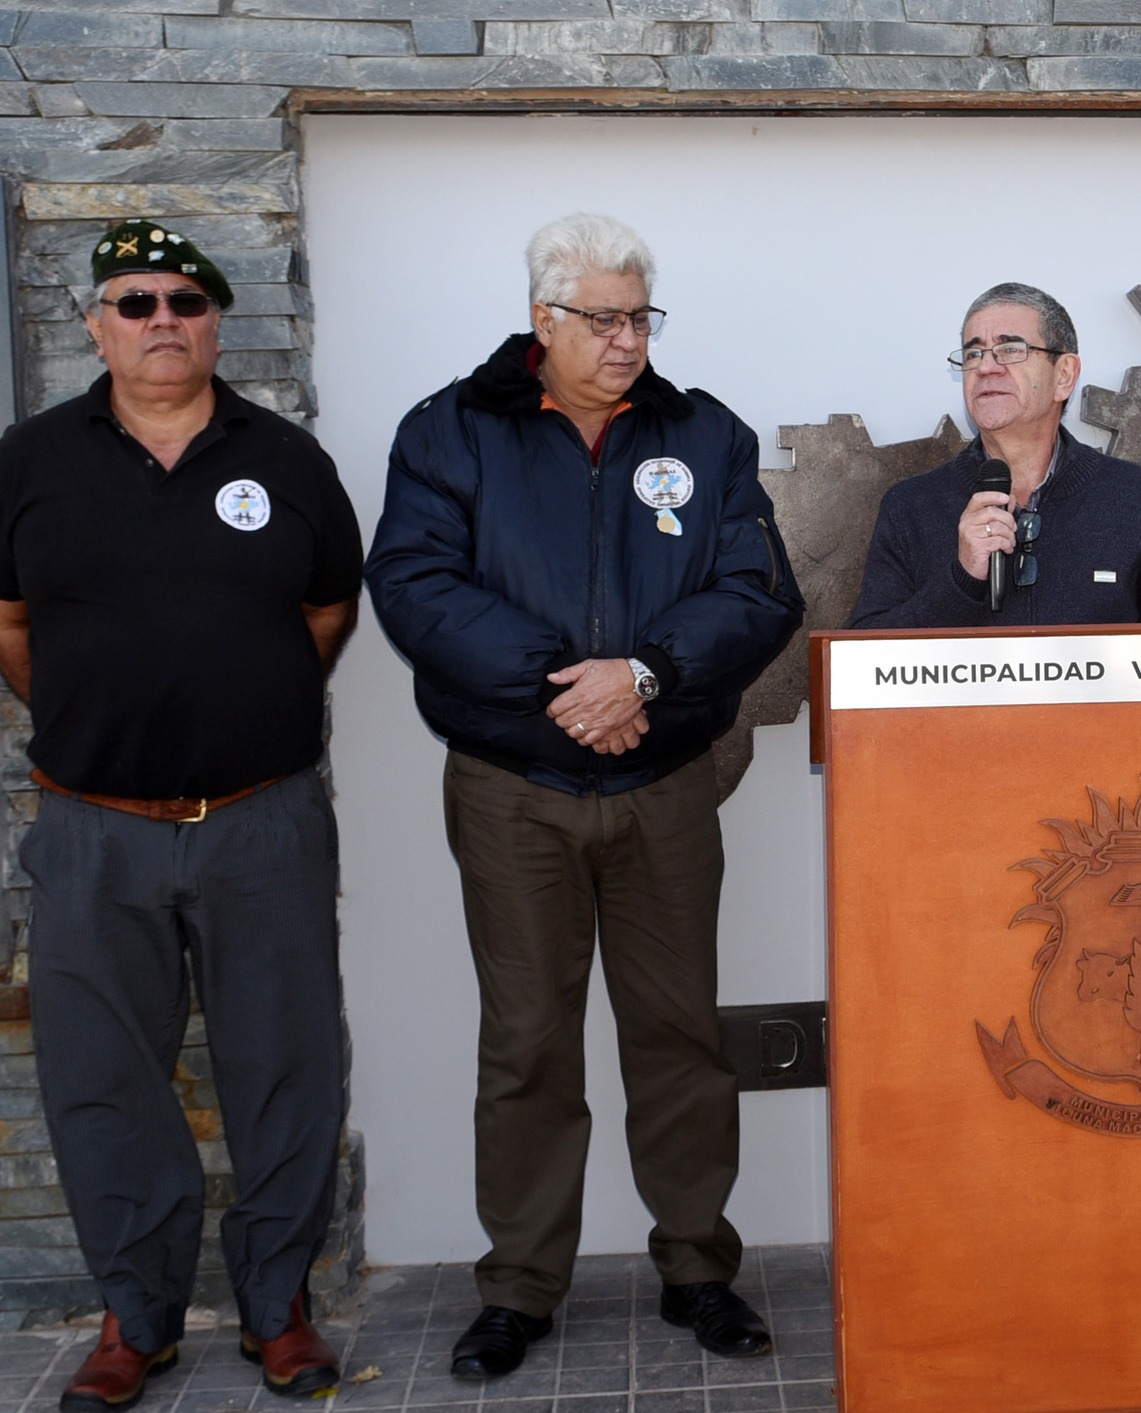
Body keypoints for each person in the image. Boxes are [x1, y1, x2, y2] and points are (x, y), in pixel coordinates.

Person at [365, 213, 802, 1379]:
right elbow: (413, 584)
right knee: (526, 1044)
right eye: (601, 319)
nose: (626, 341)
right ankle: (518, 1288)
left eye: (639, 318)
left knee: (680, 1034)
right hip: (514, 789)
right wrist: (566, 689)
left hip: (667, 785)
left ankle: (699, 1270)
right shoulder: (451, 430)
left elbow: (760, 591)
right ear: (541, 320)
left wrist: (643, 675)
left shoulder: (704, 434)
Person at [0, 220, 361, 1408]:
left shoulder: (287, 459)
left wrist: (242, 710)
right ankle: (137, 1318)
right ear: (95, 325)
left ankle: (278, 1307)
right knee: (101, 1080)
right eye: (137, 302)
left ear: (217, 325)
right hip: (92, 829)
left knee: (286, 1067)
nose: (164, 320)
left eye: (187, 303)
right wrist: (100, 724)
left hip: (263, 822)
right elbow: (10, 625)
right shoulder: (29, 460)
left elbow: (326, 613)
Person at [849, 282, 1141, 627]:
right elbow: (863, 654)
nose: (985, 367)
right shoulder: (911, 506)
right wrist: (962, 580)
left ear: (1064, 375)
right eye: (973, 354)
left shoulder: (1132, 494)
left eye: (1010, 349)